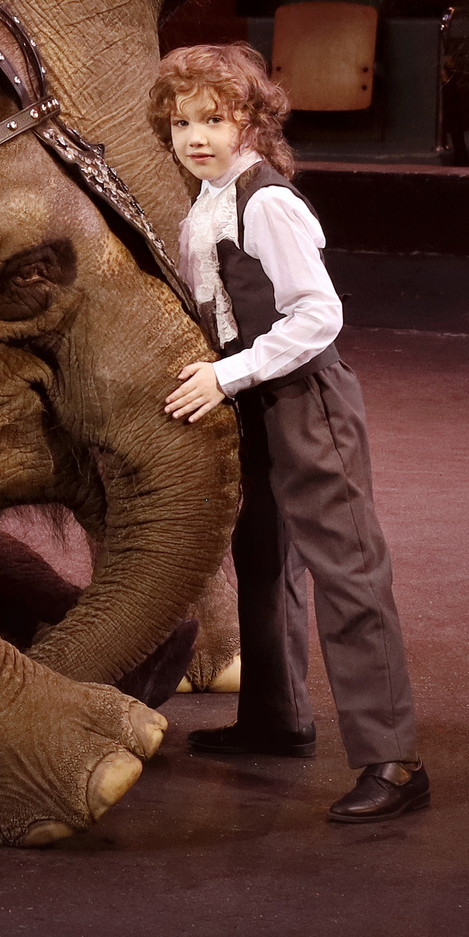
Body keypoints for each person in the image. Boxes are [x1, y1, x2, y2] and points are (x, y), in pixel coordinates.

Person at [153, 42, 429, 824]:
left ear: (252, 120)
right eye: (181, 123)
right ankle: (276, 716)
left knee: (347, 569)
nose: (196, 136)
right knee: (263, 559)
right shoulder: (207, 201)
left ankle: (395, 760)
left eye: (215, 117)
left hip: (305, 398)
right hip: (255, 401)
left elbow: (318, 315)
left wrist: (227, 375)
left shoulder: (264, 201)